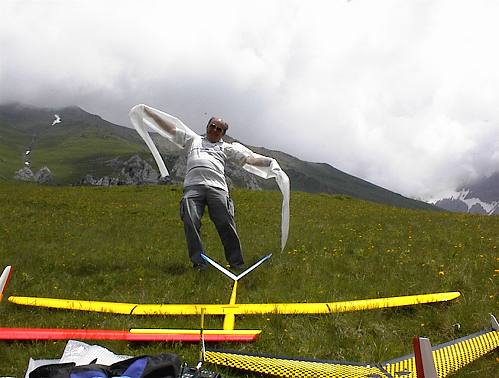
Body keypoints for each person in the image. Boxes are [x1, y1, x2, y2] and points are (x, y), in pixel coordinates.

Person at [144, 107, 271, 271]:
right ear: (207, 126)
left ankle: (237, 264)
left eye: (219, 129)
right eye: (212, 126)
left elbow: (249, 160)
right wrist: (149, 113)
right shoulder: (193, 140)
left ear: (222, 134)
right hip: (192, 188)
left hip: (217, 189)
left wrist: (270, 163)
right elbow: (170, 129)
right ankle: (199, 263)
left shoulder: (226, 148)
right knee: (190, 221)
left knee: (226, 224)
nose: (215, 130)